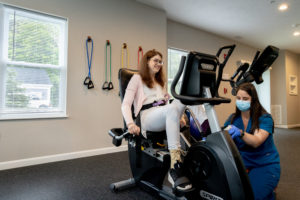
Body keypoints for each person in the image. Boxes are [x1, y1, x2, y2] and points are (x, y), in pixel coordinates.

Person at [121, 49, 192, 192]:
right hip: (146, 117)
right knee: (172, 109)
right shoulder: (137, 78)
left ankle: (206, 134)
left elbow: (167, 104)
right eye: (155, 60)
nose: (159, 64)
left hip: (162, 114)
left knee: (185, 98)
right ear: (147, 61)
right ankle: (175, 164)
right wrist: (130, 123)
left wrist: (180, 116)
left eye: (161, 61)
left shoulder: (161, 82)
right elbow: (126, 104)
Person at [224, 83, 280, 200]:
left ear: (253, 100)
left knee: (253, 196)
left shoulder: (264, 118)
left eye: (245, 99)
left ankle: (270, 190)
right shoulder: (233, 118)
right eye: (238, 98)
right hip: (243, 164)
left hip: (264, 164)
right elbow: (222, 135)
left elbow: (256, 141)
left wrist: (241, 133)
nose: (241, 101)